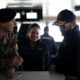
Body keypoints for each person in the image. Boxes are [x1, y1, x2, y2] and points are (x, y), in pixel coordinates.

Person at [53, 9, 80, 80]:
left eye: (63, 25)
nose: (60, 28)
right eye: (59, 25)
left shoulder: (77, 40)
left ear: (73, 23)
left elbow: (75, 68)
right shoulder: (67, 36)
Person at [0, 8, 23, 79]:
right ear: (2, 23)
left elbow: (14, 56)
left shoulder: (11, 37)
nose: (15, 24)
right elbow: (10, 61)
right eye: (12, 20)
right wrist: (8, 62)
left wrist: (12, 68)